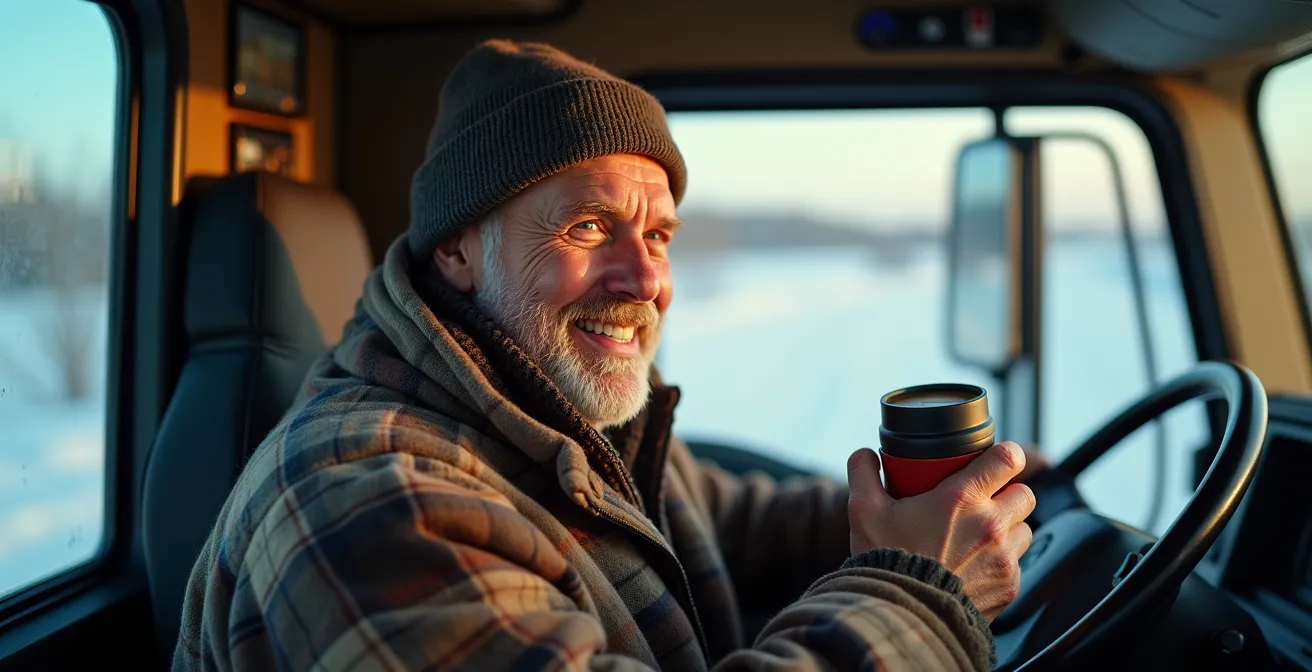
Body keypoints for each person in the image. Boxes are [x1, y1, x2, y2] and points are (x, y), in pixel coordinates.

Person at [174, 39, 1045, 671]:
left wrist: (935, 513)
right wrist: (925, 589)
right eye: (589, 226)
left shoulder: (557, 406)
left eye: (659, 232)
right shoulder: (365, 504)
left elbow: (727, 522)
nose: (645, 280)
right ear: (456, 251)